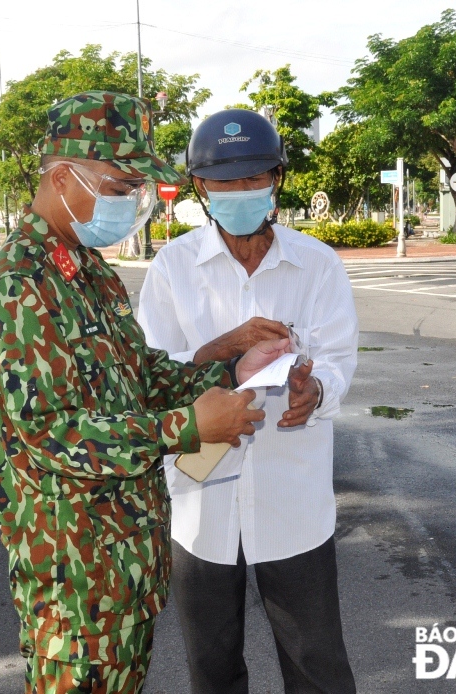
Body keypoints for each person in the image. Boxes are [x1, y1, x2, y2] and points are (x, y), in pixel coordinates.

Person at [0, 91, 290, 694]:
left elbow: (138, 376)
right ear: (63, 177)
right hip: (74, 582)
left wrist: (230, 370)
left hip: (124, 565)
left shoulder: (87, 272)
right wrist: (188, 429)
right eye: (119, 188)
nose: (130, 203)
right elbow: (51, 435)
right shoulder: (19, 286)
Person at [138, 108, 359, 694]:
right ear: (200, 189)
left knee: (319, 667)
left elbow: (338, 358)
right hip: (200, 506)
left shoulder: (317, 264)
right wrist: (226, 349)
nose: (240, 192)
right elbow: (150, 374)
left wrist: (315, 391)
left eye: (253, 178)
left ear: (277, 179)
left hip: (294, 500)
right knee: (213, 671)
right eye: (224, 182)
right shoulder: (172, 268)